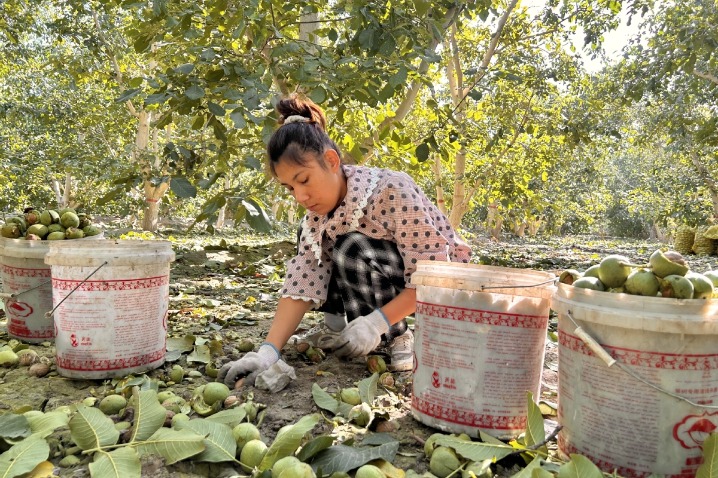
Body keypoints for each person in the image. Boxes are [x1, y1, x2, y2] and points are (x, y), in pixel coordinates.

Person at [218, 94, 471, 387]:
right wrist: (268, 351)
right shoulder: (317, 218)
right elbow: (304, 278)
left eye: (304, 180)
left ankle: (396, 334)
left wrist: (375, 324)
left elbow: (433, 277)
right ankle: (346, 327)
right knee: (313, 242)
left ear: (331, 160)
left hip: (438, 286)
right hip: (380, 285)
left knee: (352, 247)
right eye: (289, 188)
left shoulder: (391, 190)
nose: (300, 197)